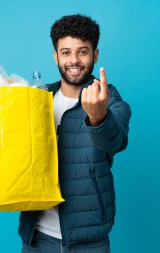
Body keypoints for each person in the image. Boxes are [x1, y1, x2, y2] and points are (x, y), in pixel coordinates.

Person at [19, 14, 131, 253]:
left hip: (89, 240)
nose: (74, 60)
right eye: (66, 52)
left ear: (95, 55)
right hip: (37, 237)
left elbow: (116, 141)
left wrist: (98, 117)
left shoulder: (108, 99)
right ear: (56, 56)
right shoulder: (38, 99)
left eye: (82, 52)